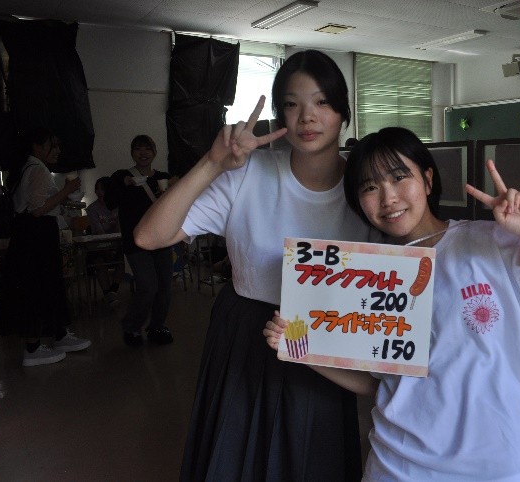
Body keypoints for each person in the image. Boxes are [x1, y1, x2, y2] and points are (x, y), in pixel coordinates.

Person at [264, 127, 520, 481]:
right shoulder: (365, 273)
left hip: (509, 466)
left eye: (398, 177)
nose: (388, 198)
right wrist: (302, 349)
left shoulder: (490, 243)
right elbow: (377, 383)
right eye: (369, 187)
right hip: (401, 467)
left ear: (427, 179)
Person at [133, 50, 379, 481]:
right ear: (279, 114)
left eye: (322, 102)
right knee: (236, 458)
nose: (307, 117)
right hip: (245, 334)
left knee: (310, 460)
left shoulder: (366, 192)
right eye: (292, 104)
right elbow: (148, 237)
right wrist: (212, 164)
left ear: (343, 111)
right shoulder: (247, 173)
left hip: (323, 338)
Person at [0, 127, 92, 367]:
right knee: (37, 287)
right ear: (37, 147)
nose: (57, 150)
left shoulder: (25, 168)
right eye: (52, 145)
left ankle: (58, 334)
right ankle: (34, 347)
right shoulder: (37, 169)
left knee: (46, 285)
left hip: (30, 235)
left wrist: (63, 198)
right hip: (35, 236)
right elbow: (37, 209)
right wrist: (67, 190)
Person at [105, 135, 176, 347]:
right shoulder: (121, 176)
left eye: (147, 149)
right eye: (138, 149)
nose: (143, 153)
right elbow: (109, 202)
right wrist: (124, 183)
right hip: (136, 242)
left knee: (164, 287)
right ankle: (132, 327)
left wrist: (172, 189)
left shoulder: (163, 178)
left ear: (154, 152)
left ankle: (156, 326)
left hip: (162, 240)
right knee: (147, 286)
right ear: (132, 153)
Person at [85, 176, 123, 305]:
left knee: (122, 260)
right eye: (97, 189)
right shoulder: (92, 208)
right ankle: (108, 294)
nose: (99, 192)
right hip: (99, 246)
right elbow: (98, 230)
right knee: (99, 263)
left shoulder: (117, 206)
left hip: (117, 244)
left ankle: (112, 292)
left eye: (103, 189)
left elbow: (119, 228)